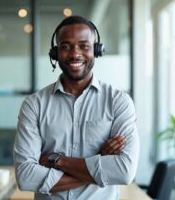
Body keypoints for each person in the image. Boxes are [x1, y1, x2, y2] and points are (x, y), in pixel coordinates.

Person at [13, 15, 139, 200]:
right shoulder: (34, 105)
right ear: (55, 54)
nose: (75, 54)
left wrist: (56, 161)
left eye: (84, 46)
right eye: (65, 47)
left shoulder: (119, 102)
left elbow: (124, 172)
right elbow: (25, 177)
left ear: (96, 50)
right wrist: (99, 162)